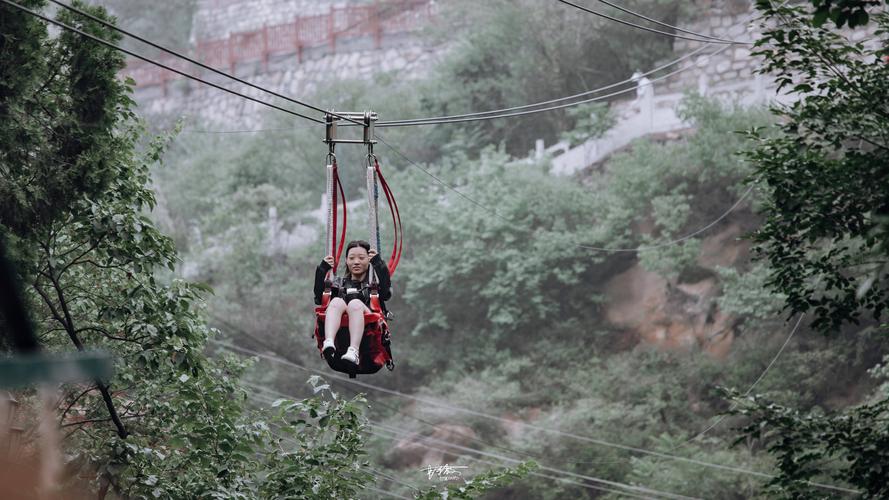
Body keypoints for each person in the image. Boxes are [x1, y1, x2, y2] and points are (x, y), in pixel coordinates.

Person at [314, 240, 391, 365]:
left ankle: (354, 350)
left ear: (368, 260)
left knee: (354, 304)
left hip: (368, 330)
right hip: (341, 333)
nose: (356, 262)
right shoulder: (338, 284)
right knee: (336, 301)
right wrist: (322, 269)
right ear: (346, 261)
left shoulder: (374, 286)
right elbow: (319, 298)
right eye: (351, 258)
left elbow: (386, 292)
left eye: (361, 258)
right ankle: (329, 342)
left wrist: (378, 263)